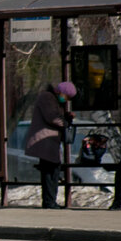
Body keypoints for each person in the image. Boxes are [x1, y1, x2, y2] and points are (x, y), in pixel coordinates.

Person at [24, 81, 76, 209]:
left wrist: (66, 117)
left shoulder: (54, 100)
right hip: (44, 140)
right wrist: (65, 121)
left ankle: (50, 201)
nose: (66, 99)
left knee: (53, 169)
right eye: (67, 96)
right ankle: (49, 202)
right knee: (49, 170)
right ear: (61, 92)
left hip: (50, 141)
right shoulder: (47, 97)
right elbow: (52, 117)